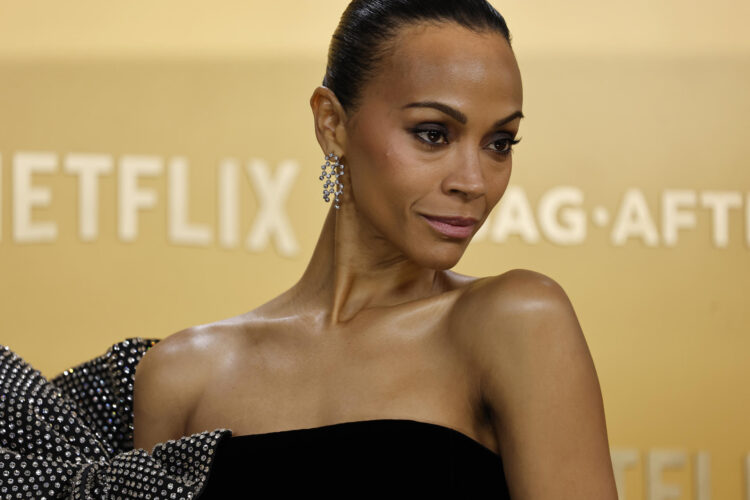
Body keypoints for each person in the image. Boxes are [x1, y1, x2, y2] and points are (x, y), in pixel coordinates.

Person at [129, 0, 619, 498]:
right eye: (433, 134)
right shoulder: (182, 376)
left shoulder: (517, 322)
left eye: (500, 143)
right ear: (332, 124)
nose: (474, 181)